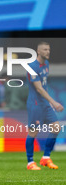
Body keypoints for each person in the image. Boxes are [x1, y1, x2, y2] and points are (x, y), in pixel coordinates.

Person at [25, 42, 64, 170]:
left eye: (49, 49)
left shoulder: (46, 64)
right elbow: (39, 89)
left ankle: (46, 158)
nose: (48, 52)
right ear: (38, 51)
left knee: (56, 127)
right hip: (35, 104)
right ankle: (30, 162)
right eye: (45, 49)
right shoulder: (31, 67)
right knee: (33, 132)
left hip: (44, 104)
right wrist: (53, 102)